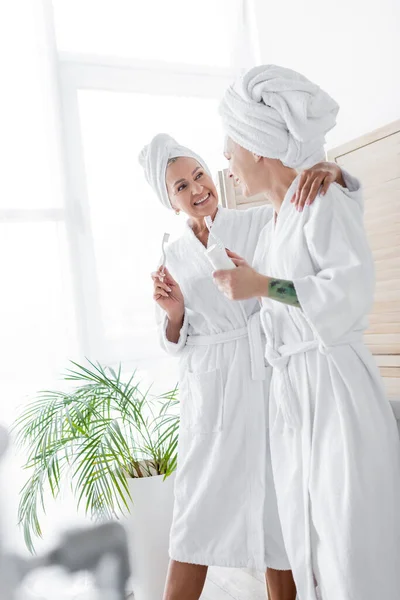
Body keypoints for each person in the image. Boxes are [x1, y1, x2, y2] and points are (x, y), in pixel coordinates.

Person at [139, 133, 356, 600]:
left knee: (278, 511)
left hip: (262, 377)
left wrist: (335, 172)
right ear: (169, 200)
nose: (197, 189)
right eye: (181, 186)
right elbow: (177, 340)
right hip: (210, 394)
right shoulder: (172, 255)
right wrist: (174, 312)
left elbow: (302, 223)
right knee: (194, 517)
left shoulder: (259, 219)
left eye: (199, 175)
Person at [214, 64, 400, 600]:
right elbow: (277, 297)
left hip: (336, 394)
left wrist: (263, 285)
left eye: (230, 150)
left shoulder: (322, 197)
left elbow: (350, 291)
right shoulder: (277, 223)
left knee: (349, 546)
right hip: (296, 394)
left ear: (256, 145)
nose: (227, 165)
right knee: (309, 542)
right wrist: (252, 281)